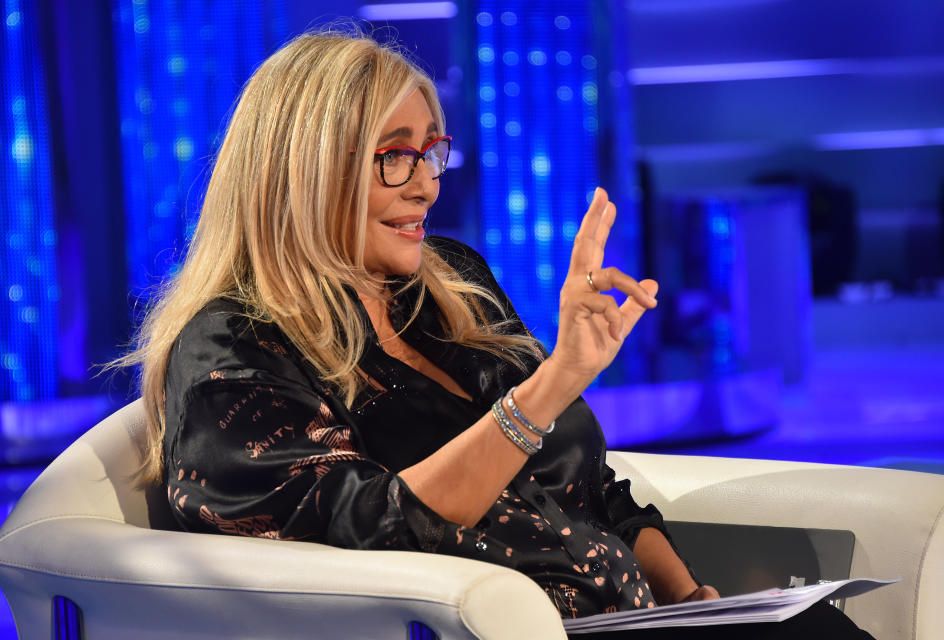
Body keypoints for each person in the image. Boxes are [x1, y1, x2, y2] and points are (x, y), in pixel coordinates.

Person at [122, 29, 873, 638]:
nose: (425, 183)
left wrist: (696, 602)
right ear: (304, 170)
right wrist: (549, 389)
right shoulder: (234, 350)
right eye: (394, 156)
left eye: (432, 151)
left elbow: (592, 492)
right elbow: (370, 535)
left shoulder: (450, 283)